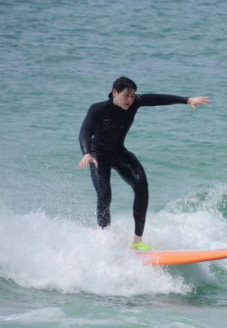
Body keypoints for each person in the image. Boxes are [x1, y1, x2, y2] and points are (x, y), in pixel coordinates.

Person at [78, 76, 209, 251]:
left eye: (133, 96)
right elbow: (85, 131)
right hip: (97, 155)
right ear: (115, 93)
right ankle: (104, 238)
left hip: (119, 152)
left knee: (141, 185)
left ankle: (137, 241)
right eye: (126, 96)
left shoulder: (134, 103)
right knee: (104, 194)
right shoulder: (98, 109)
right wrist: (86, 153)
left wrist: (186, 100)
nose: (130, 100)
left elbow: (157, 99)